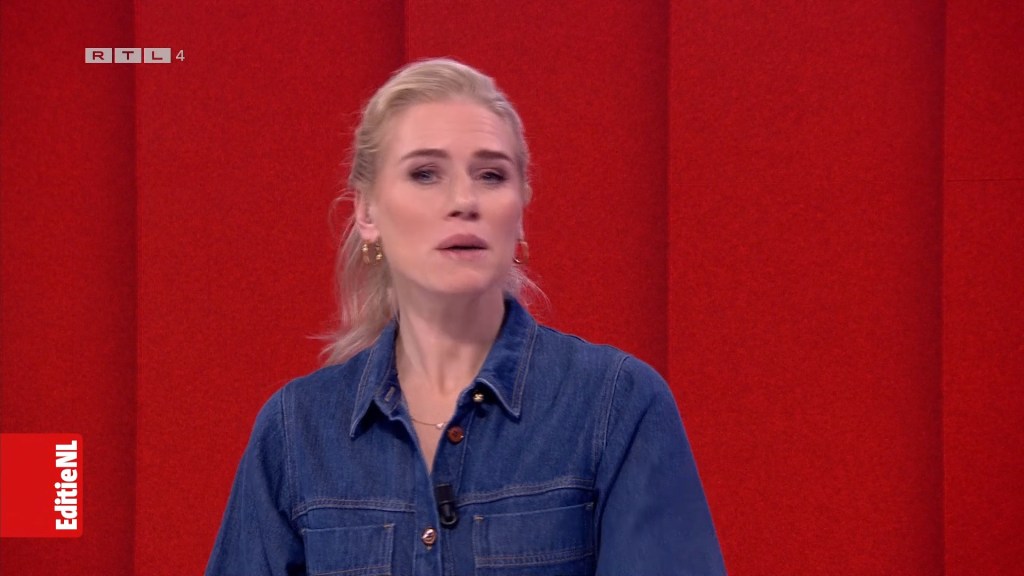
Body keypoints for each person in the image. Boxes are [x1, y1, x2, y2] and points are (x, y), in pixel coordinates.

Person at [206, 57, 726, 576]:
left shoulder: (617, 404)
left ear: (520, 211)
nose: (464, 200)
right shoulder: (296, 431)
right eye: (425, 174)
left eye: (491, 175)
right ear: (367, 212)